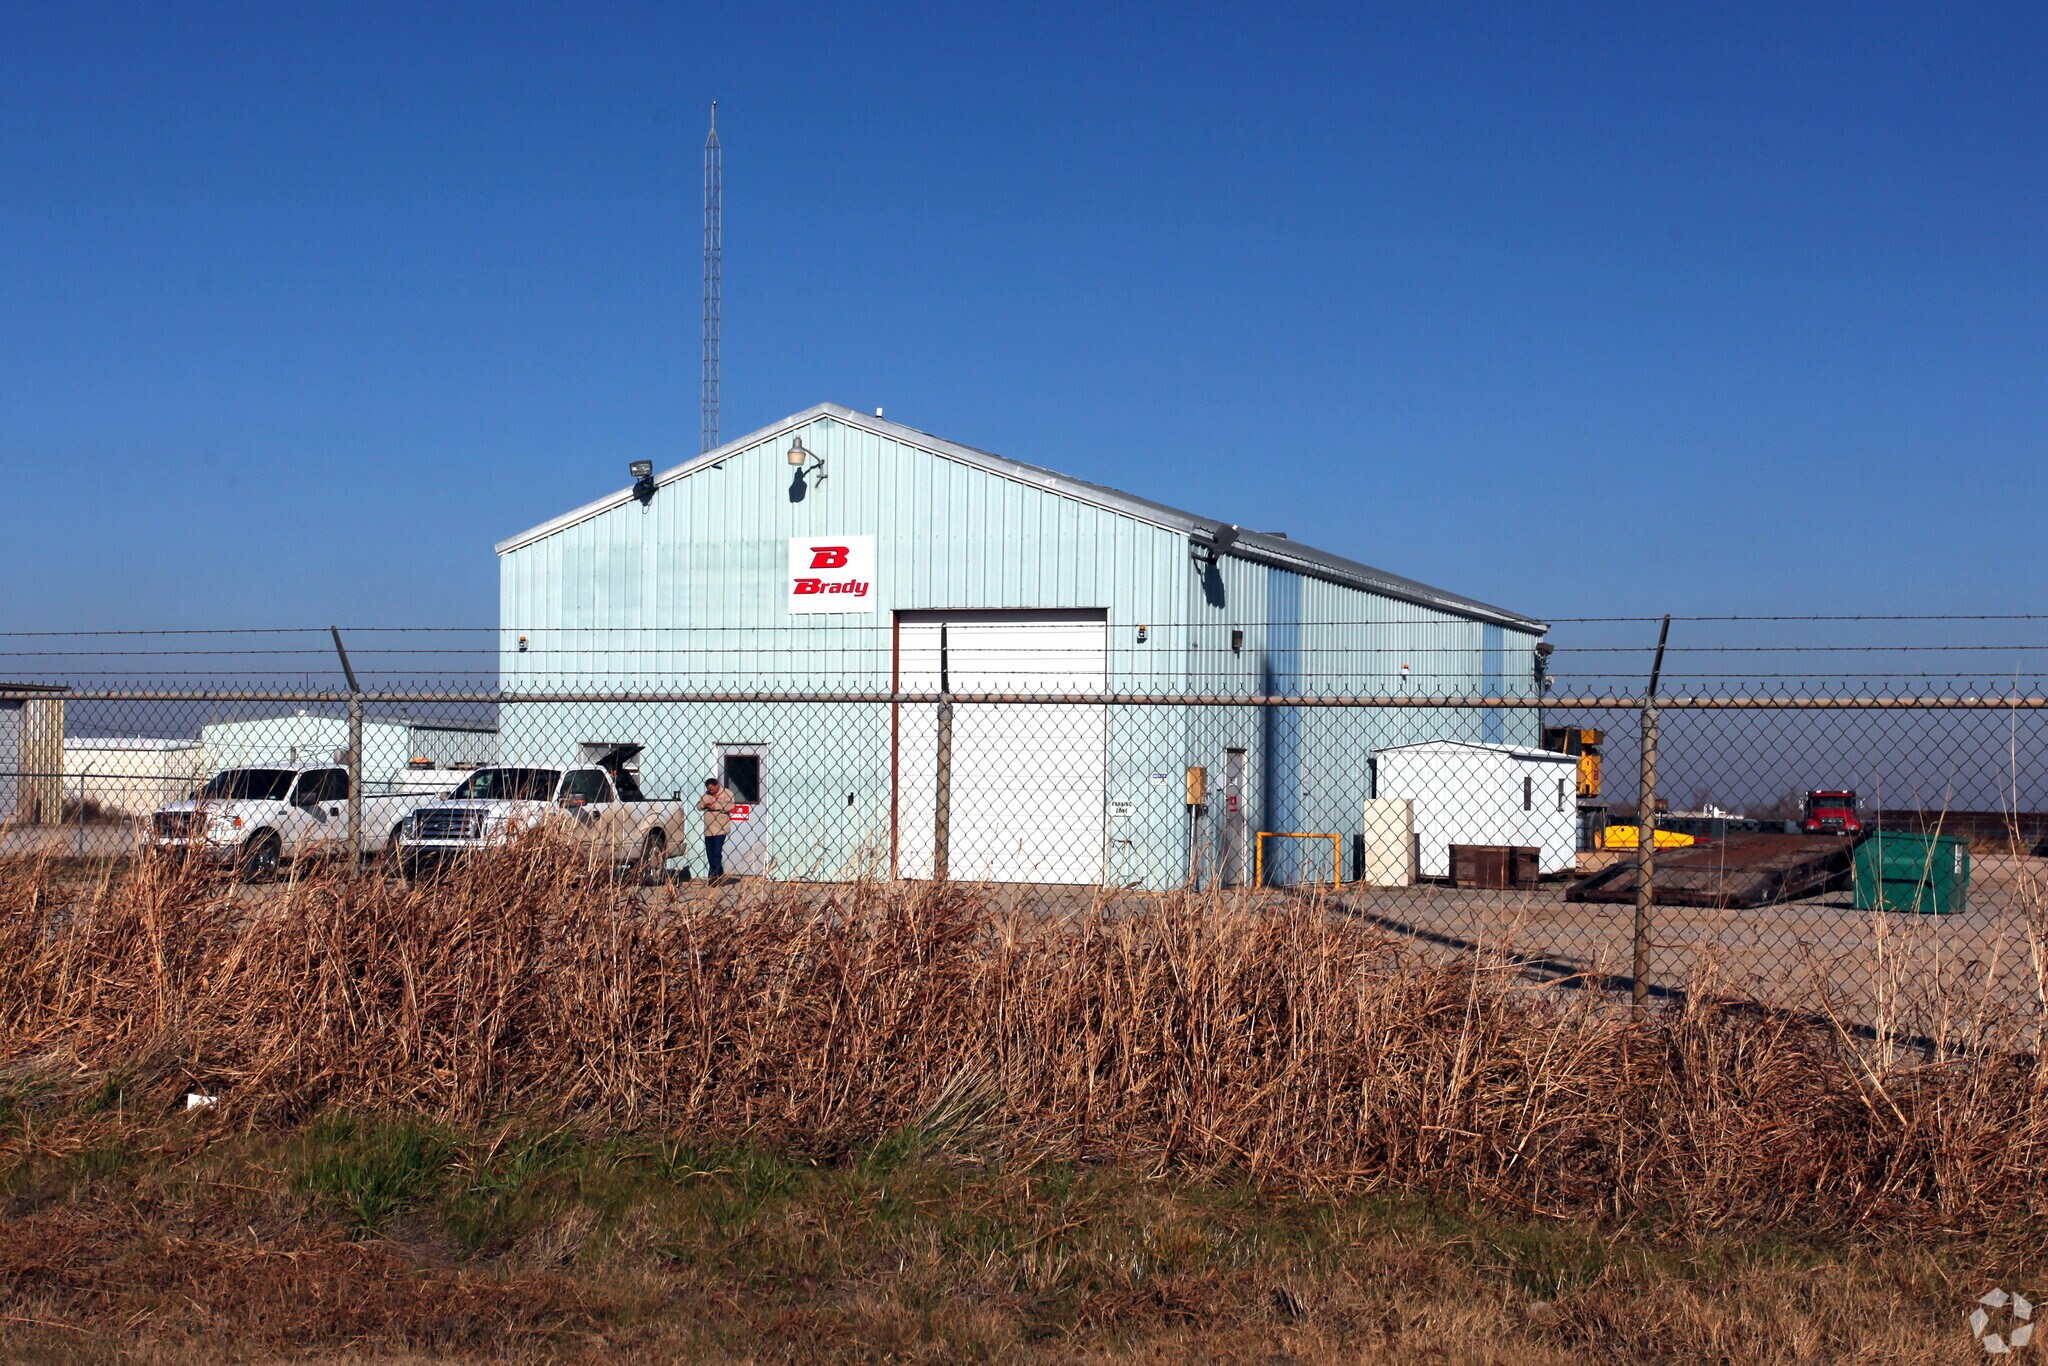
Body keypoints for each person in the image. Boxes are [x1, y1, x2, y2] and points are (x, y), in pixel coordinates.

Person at [696, 777, 734, 880]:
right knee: (710, 853)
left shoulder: (727, 793)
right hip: (708, 830)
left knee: (716, 852)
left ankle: (713, 876)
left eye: (712, 789)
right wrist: (703, 805)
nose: (711, 791)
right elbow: (698, 806)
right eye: (709, 789)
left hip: (721, 829)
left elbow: (731, 806)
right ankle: (719, 873)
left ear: (717, 785)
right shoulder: (706, 795)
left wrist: (716, 806)